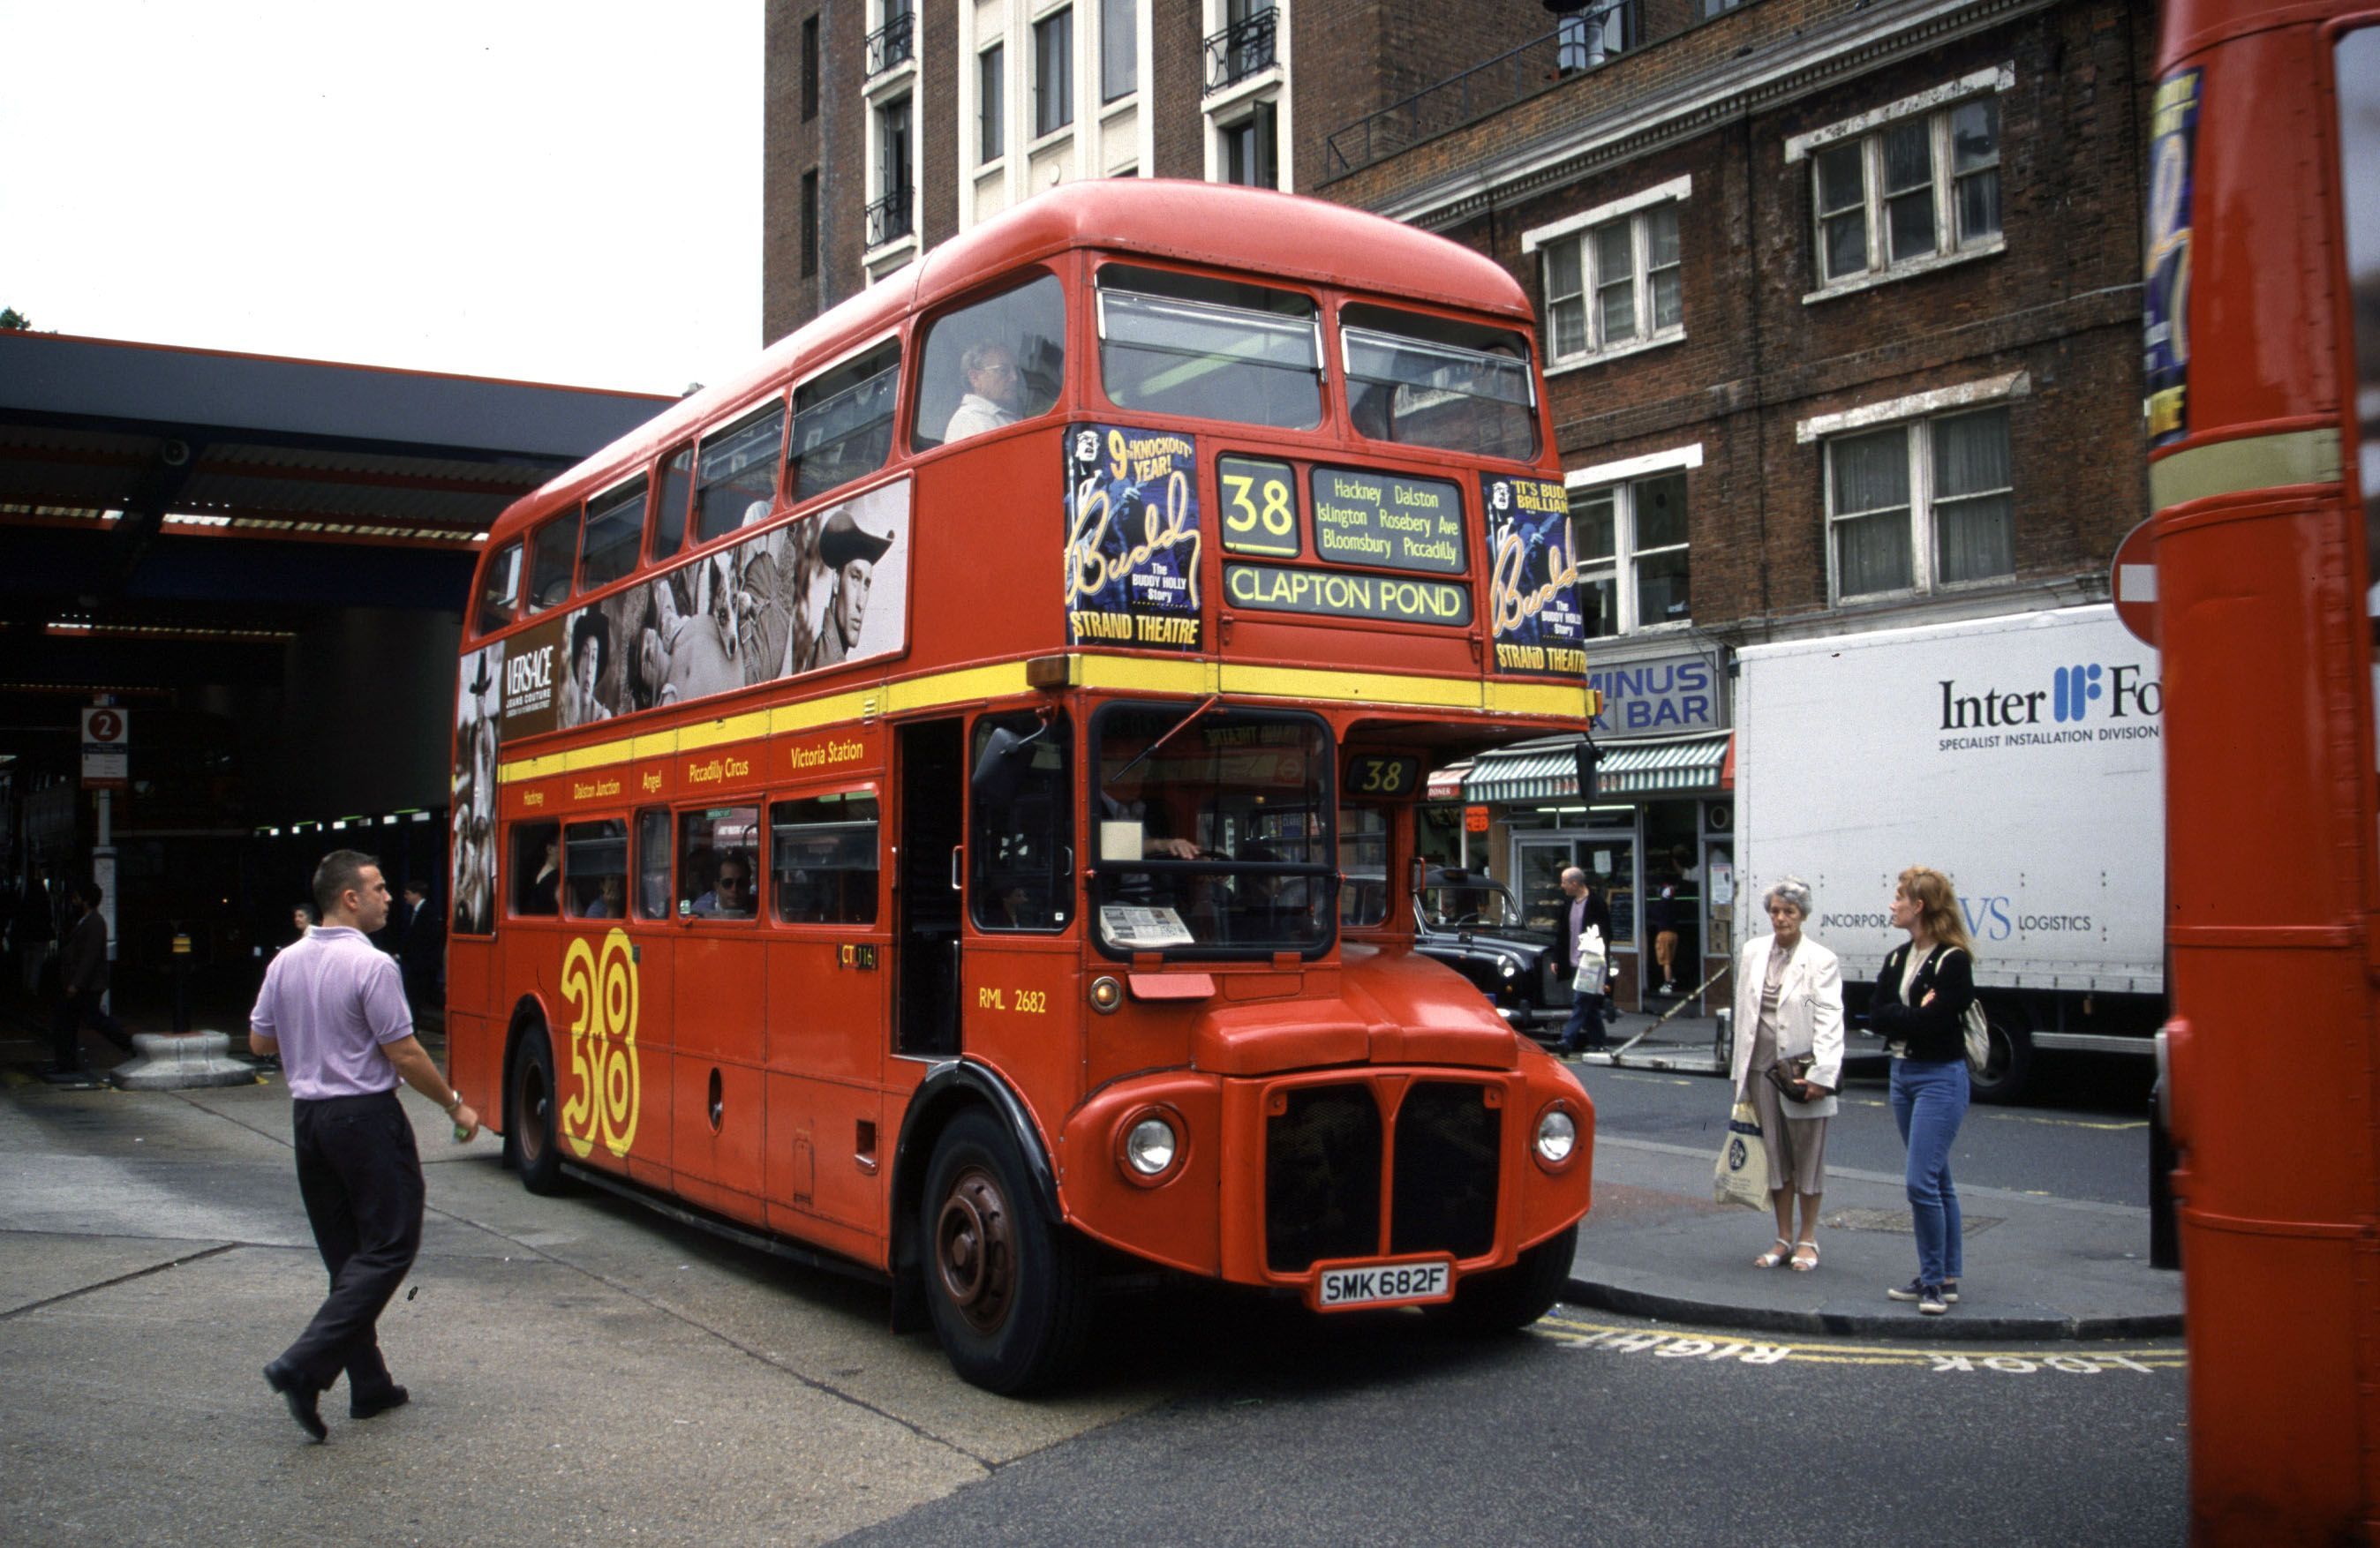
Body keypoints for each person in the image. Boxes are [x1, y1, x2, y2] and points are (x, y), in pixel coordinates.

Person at [252, 850, 481, 1441]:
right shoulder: (374, 966)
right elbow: (403, 1053)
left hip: (310, 1121)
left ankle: (370, 1384)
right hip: (366, 1118)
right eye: (377, 888)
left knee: (345, 1256)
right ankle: (302, 1366)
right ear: (349, 898)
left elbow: (259, 1041)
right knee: (389, 1245)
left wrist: (313, 1046)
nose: (387, 897)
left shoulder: (284, 962)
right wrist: (454, 1103)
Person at [1869, 864, 1978, 1316]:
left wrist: (1904, 1015)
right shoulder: (1897, 958)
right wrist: (1913, 1012)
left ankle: (1931, 1282)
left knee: (1920, 1183)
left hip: (1941, 1077)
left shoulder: (1953, 961)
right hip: (1902, 1075)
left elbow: (1937, 1026)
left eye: (1899, 897)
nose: (1892, 904)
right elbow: (1874, 1016)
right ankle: (1948, 1275)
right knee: (1938, 1180)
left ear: (1920, 906)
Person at [1729, 877, 1845, 1273]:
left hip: (1801, 1075)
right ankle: (1782, 1238)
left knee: (1807, 1158)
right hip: (1761, 1069)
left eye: (1789, 912)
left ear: (1803, 915)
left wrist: (1821, 1074)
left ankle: (1807, 1240)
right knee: (1775, 1157)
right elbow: (1744, 1009)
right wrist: (1739, 1072)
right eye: (1775, 911)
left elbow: (1826, 1013)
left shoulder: (1820, 960)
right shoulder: (1753, 952)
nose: (1781, 919)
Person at [53, 880, 132, 1072]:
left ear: (86, 900)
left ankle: (129, 1044)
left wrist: (75, 984)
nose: (74, 900)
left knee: (91, 1020)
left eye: (77, 896)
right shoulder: (84, 920)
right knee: (68, 1023)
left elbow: (89, 956)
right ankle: (66, 1064)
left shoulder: (95, 922)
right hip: (81, 983)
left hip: (86, 985)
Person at [810, 511, 894, 669]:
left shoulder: (829, 654)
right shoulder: (827, 664)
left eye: (867, 584)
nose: (860, 603)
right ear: (836, 581)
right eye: (855, 577)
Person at [1552, 867, 1614, 1056]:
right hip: (1572, 961)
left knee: (1580, 1001)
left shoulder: (1596, 903)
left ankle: (1567, 1040)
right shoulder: (1568, 903)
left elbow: (1606, 934)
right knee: (1589, 1004)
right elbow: (1562, 933)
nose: (1562, 886)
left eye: (1564, 882)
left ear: (1575, 883)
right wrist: (1557, 958)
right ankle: (1599, 1041)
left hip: (1590, 962)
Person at [942, 342, 1022, 443]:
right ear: (975, 378)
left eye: (1016, 370)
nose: (1014, 378)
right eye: (1003, 370)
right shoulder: (968, 420)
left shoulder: (1002, 415)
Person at [395, 880, 443, 1021]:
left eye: (408, 893)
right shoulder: (414, 912)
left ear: (417, 894)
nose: (405, 896)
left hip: (422, 966)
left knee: (417, 999)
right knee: (414, 1000)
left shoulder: (428, 912)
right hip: (416, 965)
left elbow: (426, 941)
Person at [558, 611, 614, 729]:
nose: (589, 668)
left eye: (593, 658)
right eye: (584, 654)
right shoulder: (564, 712)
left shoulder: (602, 716)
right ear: (576, 663)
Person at [691, 853, 756, 918]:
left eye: (741, 883)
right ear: (717, 886)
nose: (734, 889)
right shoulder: (700, 909)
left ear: (749, 885)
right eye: (727, 883)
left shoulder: (758, 906)